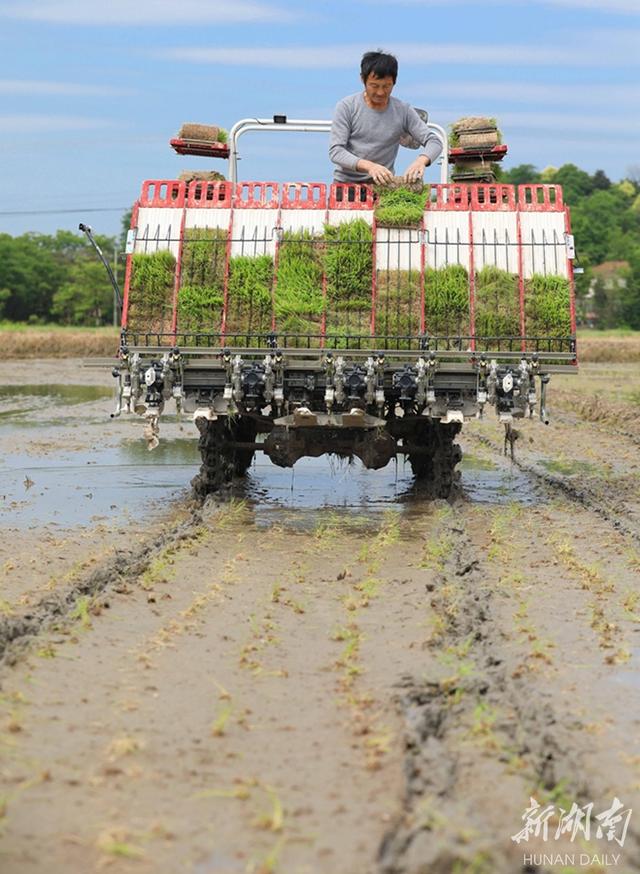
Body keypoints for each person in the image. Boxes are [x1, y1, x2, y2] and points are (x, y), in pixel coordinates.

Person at [329, 50, 442, 185]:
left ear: (394, 82)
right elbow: (336, 151)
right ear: (362, 79)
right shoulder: (347, 107)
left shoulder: (403, 110)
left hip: (383, 186)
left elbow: (434, 141)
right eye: (374, 86)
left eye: (387, 86)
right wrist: (370, 167)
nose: (380, 92)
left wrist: (421, 161)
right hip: (346, 186)